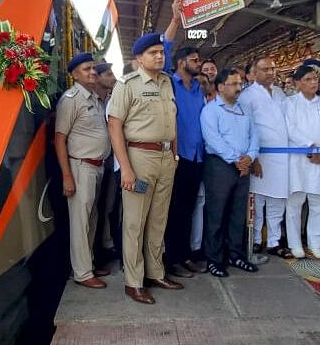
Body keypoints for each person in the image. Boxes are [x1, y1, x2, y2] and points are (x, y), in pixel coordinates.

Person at [108, 33, 183, 304]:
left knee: (158, 220)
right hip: (139, 157)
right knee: (134, 223)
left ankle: (155, 272)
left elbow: (171, 123)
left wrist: (174, 153)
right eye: (153, 52)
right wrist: (125, 169)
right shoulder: (127, 85)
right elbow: (114, 127)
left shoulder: (167, 83)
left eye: (161, 52)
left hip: (165, 158)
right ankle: (134, 281)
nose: (159, 56)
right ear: (138, 58)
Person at [54, 53, 112, 288]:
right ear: (75, 74)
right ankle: (82, 272)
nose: (92, 73)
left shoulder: (95, 98)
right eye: (86, 69)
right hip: (80, 167)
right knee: (80, 221)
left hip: (97, 167)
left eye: (93, 69)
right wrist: (67, 176)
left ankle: (88, 263)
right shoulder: (71, 99)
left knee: (91, 218)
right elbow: (59, 139)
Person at [200, 68, 260, 277]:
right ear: (220, 87)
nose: (238, 87)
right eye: (233, 84)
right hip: (220, 166)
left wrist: (250, 157)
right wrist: (237, 159)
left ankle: (236, 255)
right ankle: (214, 259)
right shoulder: (211, 110)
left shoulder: (244, 109)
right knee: (217, 213)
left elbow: (254, 135)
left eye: (239, 83)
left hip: (243, 166)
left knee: (237, 214)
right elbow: (213, 139)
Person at [162, 41, 207, 279]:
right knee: (175, 211)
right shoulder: (170, 83)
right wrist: (174, 19)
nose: (198, 63)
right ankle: (172, 260)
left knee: (188, 209)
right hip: (179, 157)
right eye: (195, 60)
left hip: (198, 157)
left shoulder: (198, 88)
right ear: (181, 62)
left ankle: (185, 255)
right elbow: (164, 46)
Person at [241, 57, 290, 257]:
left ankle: (273, 241)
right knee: (258, 201)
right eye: (265, 69)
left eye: (272, 68)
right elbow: (245, 129)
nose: (270, 72)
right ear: (254, 73)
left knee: (277, 200)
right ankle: (254, 240)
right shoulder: (247, 96)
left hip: (282, 157)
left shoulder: (280, 94)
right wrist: (254, 159)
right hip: (260, 156)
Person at [286, 65, 320, 258]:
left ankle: (316, 243)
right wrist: (310, 146)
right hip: (298, 159)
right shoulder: (289, 103)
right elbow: (290, 128)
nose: (313, 82)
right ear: (298, 83)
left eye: (315, 79)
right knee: (295, 202)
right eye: (308, 79)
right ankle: (295, 244)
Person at [93, 62, 120, 267]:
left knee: (109, 206)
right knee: (94, 208)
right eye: (109, 74)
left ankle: (105, 245)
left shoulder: (113, 99)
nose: (112, 77)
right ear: (98, 77)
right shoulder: (90, 101)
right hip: (94, 162)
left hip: (111, 161)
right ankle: (96, 252)